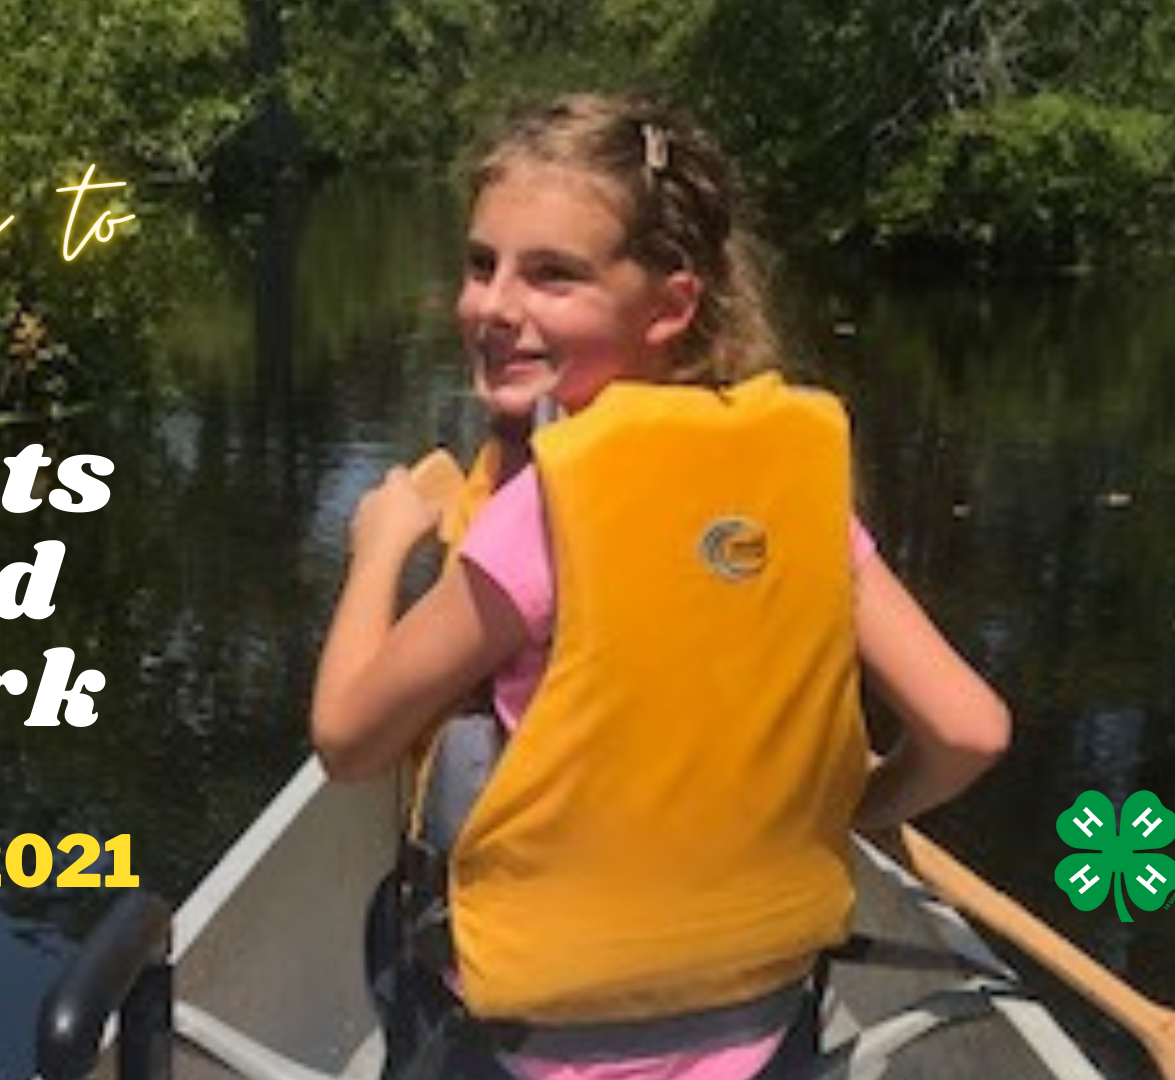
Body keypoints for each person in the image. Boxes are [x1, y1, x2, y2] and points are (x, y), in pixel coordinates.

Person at [311, 92, 1011, 1080]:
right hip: (763, 1029)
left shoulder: (545, 510)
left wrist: (380, 548)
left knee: (413, 882)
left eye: (552, 274)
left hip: (531, 1044)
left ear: (673, 303)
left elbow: (347, 740)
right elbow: (970, 731)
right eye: (481, 264)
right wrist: (842, 811)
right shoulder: (798, 491)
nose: (492, 307)